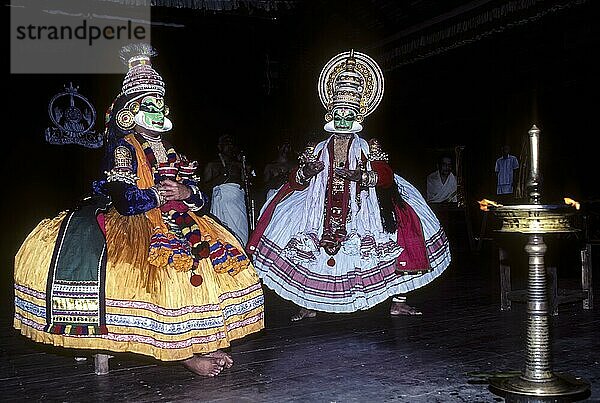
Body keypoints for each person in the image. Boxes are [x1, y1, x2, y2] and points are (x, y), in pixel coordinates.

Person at [13, 43, 264, 377]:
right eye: (150, 104)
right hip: (137, 222)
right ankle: (183, 355)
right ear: (129, 112)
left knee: (219, 261)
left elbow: (199, 199)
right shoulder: (123, 148)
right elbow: (126, 200)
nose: (159, 110)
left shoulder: (168, 148)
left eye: (161, 103)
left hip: (178, 217)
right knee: (167, 274)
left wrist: (186, 190)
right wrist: (160, 195)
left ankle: (203, 340)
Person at [247, 50, 451, 321]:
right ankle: (308, 302)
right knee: (304, 245)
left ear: (357, 116)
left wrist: (360, 176)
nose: (343, 119)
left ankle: (398, 301)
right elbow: (295, 179)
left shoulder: (369, 146)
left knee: (393, 239)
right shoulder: (317, 148)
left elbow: (385, 175)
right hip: (318, 206)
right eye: (338, 114)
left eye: (348, 114)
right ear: (331, 115)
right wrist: (308, 171)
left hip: (363, 205)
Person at [202, 134, 253, 245]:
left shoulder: (240, 165)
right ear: (220, 147)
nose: (229, 147)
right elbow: (204, 188)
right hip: (220, 202)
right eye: (226, 144)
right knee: (221, 233)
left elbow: (248, 185)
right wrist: (220, 178)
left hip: (237, 205)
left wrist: (245, 168)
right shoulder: (212, 165)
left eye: (231, 144)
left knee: (240, 235)